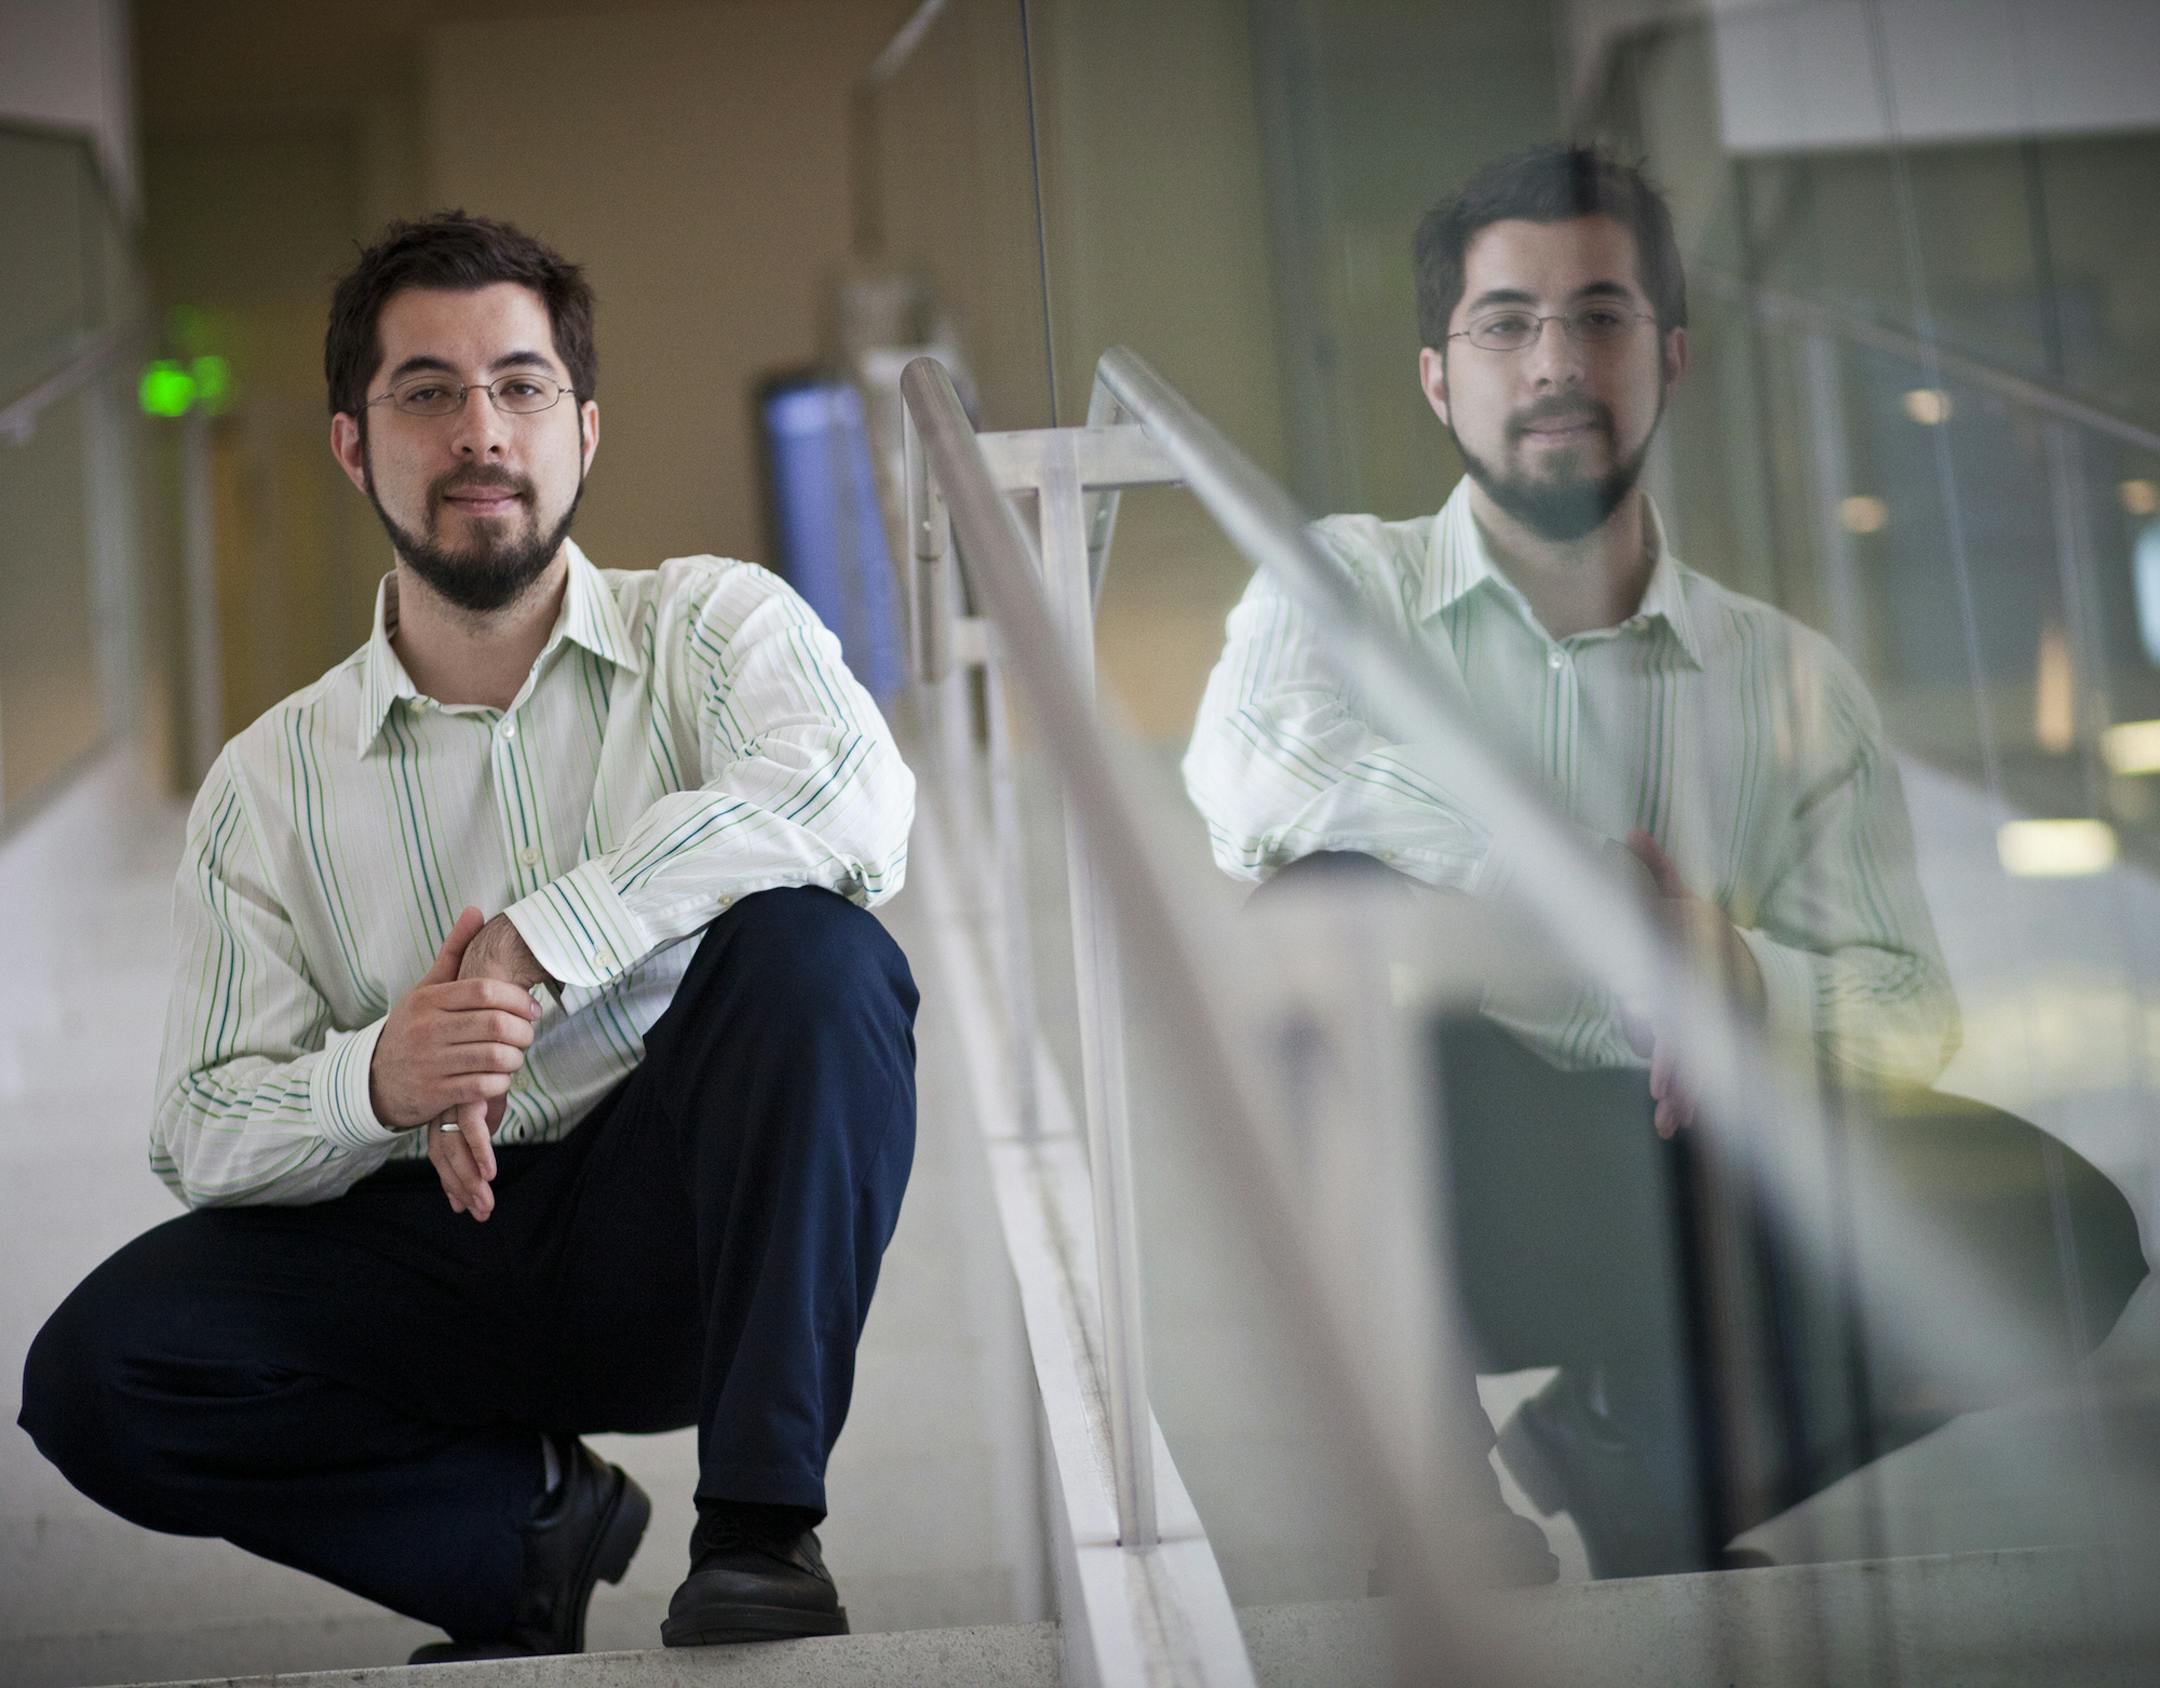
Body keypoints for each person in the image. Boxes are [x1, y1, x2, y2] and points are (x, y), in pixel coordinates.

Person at [1184, 146, 2147, 1576]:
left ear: (1672, 357)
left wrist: (1743, 978)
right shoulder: (1342, 582)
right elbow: (1260, 784)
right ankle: (1443, 1507)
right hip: (1455, 1172)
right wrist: (1579, 901)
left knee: (2066, 1232)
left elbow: (1907, 1002)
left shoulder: (1790, 677)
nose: (1556, 360)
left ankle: (1645, 1472)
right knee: (1318, 905)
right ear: (1439, 379)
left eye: (1601, 315)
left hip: (1695, 1166)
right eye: (1505, 324)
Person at [19, 214, 919, 1660]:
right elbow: (197, 1125)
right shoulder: (267, 782)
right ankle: (519, 1534)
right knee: (99, 1371)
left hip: (683, 1228)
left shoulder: (713, 626)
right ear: (351, 445)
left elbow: (851, 796)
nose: (480, 430)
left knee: (818, 955)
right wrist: (381, 1076)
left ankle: (760, 1533)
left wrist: (540, 946)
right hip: (428, 1253)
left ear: (585, 428)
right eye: (426, 392)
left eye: (520, 385)